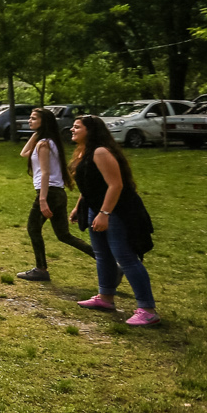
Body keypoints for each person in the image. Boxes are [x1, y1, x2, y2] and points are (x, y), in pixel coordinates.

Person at [69, 116, 159, 326]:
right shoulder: (84, 151)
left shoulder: (100, 152)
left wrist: (105, 213)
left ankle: (147, 310)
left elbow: (115, 185)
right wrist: (78, 207)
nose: (72, 129)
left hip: (117, 210)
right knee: (103, 255)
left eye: (77, 127)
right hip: (96, 209)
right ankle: (105, 298)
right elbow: (89, 183)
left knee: (126, 257)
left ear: (90, 130)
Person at [16, 108, 91, 281]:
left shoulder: (44, 144)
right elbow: (24, 153)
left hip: (48, 193)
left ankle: (41, 269)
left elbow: (45, 173)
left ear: (43, 122)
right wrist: (36, 133)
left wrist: (42, 200)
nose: (29, 120)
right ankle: (110, 263)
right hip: (58, 193)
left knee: (33, 229)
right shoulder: (48, 142)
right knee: (64, 235)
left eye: (34, 118)